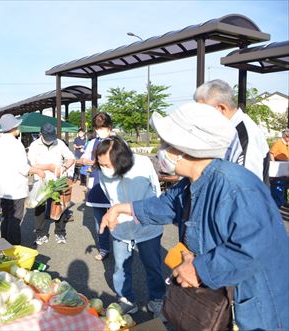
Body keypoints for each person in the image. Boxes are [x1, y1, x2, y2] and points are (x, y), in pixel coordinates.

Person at [100, 102, 289, 331]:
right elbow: (166, 205)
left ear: (185, 147)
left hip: (252, 306)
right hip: (215, 300)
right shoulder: (192, 182)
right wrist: (123, 208)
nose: (161, 149)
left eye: (165, 143)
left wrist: (199, 269)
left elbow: (257, 244)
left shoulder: (235, 186)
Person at [95, 136, 165, 315]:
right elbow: (110, 196)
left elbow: (156, 189)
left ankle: (157, 300)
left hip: (147, 224)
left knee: (153, 266)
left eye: (108, 165)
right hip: (120, 227)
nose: (105, 169)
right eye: (101, 165)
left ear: (121, 159)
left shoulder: (142, 163)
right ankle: (126, 299)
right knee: (120, 266)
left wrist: (154, 214)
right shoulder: (103, 173)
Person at [194, 79, 270, 183]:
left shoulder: (244, 134)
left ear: (221, 108)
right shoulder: (228, 130)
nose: (200, 117)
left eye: (202, 112)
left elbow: (246, 185)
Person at [0, 114, 45, 245]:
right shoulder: (16, 144)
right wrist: (37, 170)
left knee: (6, 217)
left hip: (2, 188)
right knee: (15, 219)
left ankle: (5, 245)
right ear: (14, 127)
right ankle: (14, 247)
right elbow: (23, 168)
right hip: (15, 188)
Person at [28, 122, 75, 245]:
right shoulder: (34, 145)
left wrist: (64, 167)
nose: (50, 140)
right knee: (40, 208)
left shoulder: (59, 143)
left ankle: (60, 232)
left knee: (59, 206)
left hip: (58, 180)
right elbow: (32, 165)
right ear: (41, 134)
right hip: (41, 180)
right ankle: (40, 234)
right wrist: (48, 167)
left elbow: (71, 158)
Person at [79, 113, 113, 261]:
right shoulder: (92, 142)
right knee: (99, 220)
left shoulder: (117, 142)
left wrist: (98, 163)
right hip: (96, 183)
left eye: (102, 128)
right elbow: (83, 159)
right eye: (97, 128)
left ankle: (121, 249)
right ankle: (104, 248)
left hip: (114, 185)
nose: (99, 131)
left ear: (109, 127)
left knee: (117, 219)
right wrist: (85, 161)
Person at [269, 129, 289, 207]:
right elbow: (271, 153)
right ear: (286, 137)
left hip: (286, 164)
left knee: (285, 184)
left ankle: (284, 201)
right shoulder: (279, 143)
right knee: (278, 184)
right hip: (279, 164)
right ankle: (278, 202)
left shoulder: (287, 144)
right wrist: (274, 163)